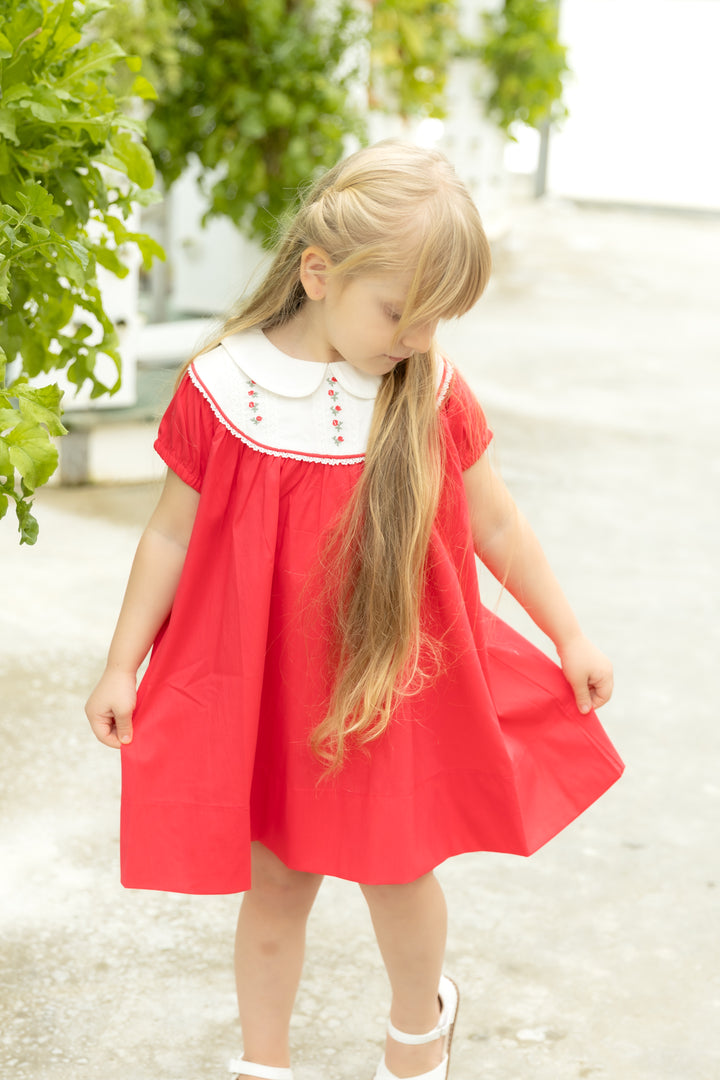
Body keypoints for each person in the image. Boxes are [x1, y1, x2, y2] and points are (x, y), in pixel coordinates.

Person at [86, 141, 623, 1080]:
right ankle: (265, 1064)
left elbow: (495, 522)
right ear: (318, 273)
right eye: (398, 314)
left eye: (436, 320)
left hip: (389, 688)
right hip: (270, 692)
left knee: (397, 873)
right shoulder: (224, 388)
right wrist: (122, 662)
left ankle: (417, 1037)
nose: (415, 340)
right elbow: (171, 535)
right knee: (278, 887)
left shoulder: (428, 392)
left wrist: (567, 631)